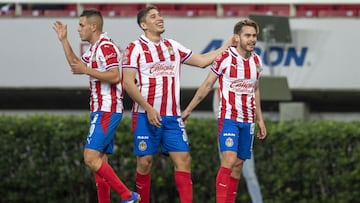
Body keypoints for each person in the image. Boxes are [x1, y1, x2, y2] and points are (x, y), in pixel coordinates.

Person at [121, 5, 233, 203]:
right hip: (145, 115)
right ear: (143, 24)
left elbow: (202, 61)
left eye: (160, 15)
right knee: (145, 162)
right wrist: (148, 108)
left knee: (184, 160)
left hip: (172, 117)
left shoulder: (172, 46)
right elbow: (128, 83)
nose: (160, 18)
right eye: (154, 16)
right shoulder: (134, 48)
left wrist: (227, 46)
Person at [52, 9, 140, 203]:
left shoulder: (106, 46)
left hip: (107, 109)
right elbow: (76, 65)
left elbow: (116, 76)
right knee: (100, 164)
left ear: (93, 26)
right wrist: (64, 40)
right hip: (100, 110)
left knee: (90, 158)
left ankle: (128, 196)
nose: (78, 29)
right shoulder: (94, 48)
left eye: (81, 25)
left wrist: (87, 70)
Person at [181, 18, 267, 203]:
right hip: (228, 118)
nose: (252, 39)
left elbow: (256, 90)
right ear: (237, 38)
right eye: (247, 35)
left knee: (238, 165)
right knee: (228, 160)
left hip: (248, 121)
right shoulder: (225, 58)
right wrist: (188, 110)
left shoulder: (257, 61)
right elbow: (206, 85)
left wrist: (260, 119)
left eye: (254, 36)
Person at [213, 88, 264, 203]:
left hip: (244, 131)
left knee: (249, 175)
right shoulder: (218, 90)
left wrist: (258, 120)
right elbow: (217, 113)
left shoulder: (246, 83)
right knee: (227, 169)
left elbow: (255, 95)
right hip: (228, 132)